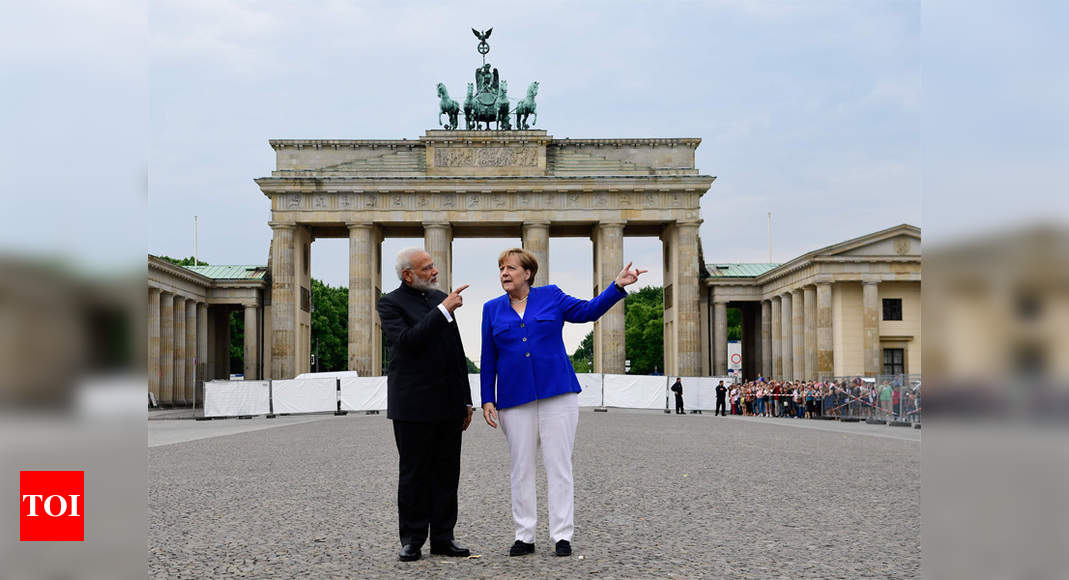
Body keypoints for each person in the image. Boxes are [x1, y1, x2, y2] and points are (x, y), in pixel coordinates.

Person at [481, 248, 645, 558]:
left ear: (527, 273)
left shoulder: (552, 296)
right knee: (521, 468)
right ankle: (524, 535)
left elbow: (588, 311)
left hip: (558, 391)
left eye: (511, 268)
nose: (504, 273)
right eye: (501, 268)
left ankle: (562, 535)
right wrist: (487, 398)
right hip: (514, 398)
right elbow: (489, 358)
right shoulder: (491, 309)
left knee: (559, 465)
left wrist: (618, 286)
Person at [376, 248, 474, 562]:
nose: (434, 271)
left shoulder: (440, 298)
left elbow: (455, 353)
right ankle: (412, 539)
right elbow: (407, 342)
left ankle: (444, 538)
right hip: (413, 405)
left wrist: (466, 400)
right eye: (427, 267)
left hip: (447, 403)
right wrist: (443, 311)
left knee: (447, 474)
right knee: (414, 474)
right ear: (408, 274)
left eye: (433, 266)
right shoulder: (390, 303)